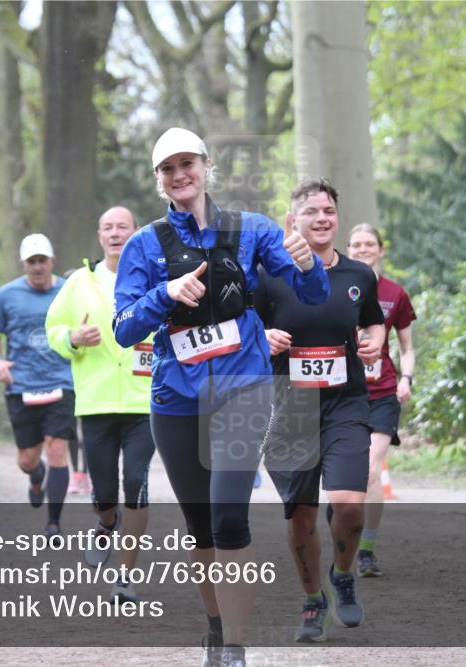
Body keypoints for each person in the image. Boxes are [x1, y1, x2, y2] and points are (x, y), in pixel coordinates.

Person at [113, 128, 329, 667]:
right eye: (167, 168)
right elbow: (122, 327)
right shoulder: (144, 243)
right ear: (158, 179)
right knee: (201, 526)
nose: (179, 174)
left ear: (207, 166)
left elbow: (313, 297)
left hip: (243, 390)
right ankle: (215, 627)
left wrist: (306, 264)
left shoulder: (250, 229)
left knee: (230, 518)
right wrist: (164, 295)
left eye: (187, 163)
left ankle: (234, 645)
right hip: (176, 399)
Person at [255, 178, 384, 643]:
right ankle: (313, 601)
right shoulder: (269, 275)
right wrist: (262, 337)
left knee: (349, 505)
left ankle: (343, 574)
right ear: (294, 220)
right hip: (288, 408)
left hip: (345, 402)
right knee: (302, 517)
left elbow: (372, 319)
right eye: (311, 211)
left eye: (328, 210)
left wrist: (375, 342)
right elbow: (245, 326)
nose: (322, 218)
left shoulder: (357, 276)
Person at [45, 206, 155, 603]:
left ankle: (125, 576)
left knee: (136, 484)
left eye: (122, 227)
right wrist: (74, 337)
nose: (114, 234)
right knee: (104, 492)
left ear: (136, 232)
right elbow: (52, 329)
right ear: (99, 235)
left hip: (144, 402)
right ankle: (107, 524)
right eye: (107, 228)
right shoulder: (78, 282)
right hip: (96, 402)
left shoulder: (153, 276)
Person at [0, 234, 76, 539]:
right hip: (21, 384)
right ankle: (36, 476)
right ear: (24, 264)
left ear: (52, 261)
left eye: (42, 260)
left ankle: (54, 523)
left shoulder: (69, 291)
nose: (37, 267)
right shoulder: (6, 295)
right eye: (32, 262)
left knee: (58, 448)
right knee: (28, 458)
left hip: (62, 380)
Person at [347, 223, 416, 577]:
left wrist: (406, 378)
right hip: (343, 392)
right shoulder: (337, 285)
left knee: (372, 470)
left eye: (369, 244)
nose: (362, 249)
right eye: (356, 244)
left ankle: (367, 551)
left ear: (380, 249)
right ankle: (345, 537)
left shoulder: (395, 294)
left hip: (382, 392)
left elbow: (407, 347)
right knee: (346, 479)